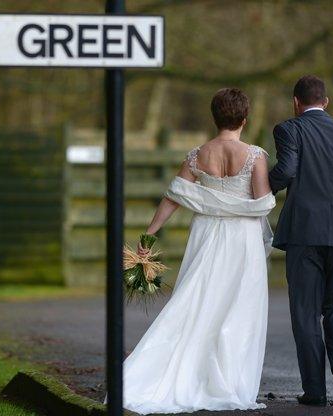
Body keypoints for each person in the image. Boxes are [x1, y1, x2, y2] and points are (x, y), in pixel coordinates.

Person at [116, 88, 275, 414]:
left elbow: (174, 196)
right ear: (245, 119)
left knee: (194, 301)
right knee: (238, 309)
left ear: (214, 117)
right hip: (243, 240)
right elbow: (262, 204)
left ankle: (165, 373)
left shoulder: (197, 155)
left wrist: (149, 235)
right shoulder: (256, 156)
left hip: (206, 234)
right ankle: (228, 382)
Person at [269, 75, 333, 406]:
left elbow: (286, 171)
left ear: (296, 102)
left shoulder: (289, 129)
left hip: (304, 233)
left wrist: (257, 190)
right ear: (325, 102)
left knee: (305, 311)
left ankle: (315, 390)